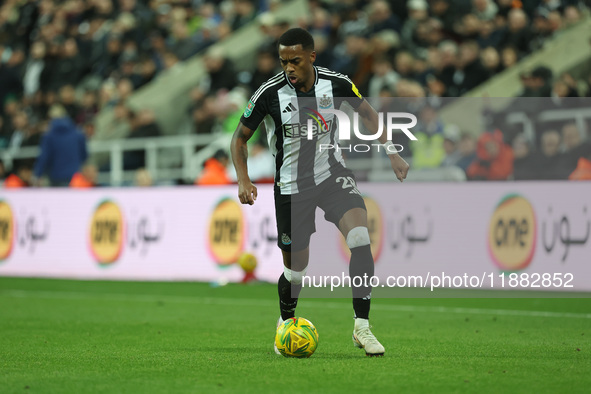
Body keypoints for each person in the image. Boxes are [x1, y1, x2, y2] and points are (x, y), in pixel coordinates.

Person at [230, 28, 409, 357]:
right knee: (296, 271)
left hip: (332, 175)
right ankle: (286, 323)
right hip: (291, 187)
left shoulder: (337, 84)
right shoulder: (269, 93)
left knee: (360, 239)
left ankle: (362, 327)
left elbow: (367, 113)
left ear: (311, 57)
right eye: (283, 61)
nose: (289, 68)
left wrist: (391, 150)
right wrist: (243, 179)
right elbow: (239, 139)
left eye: (295, 61)